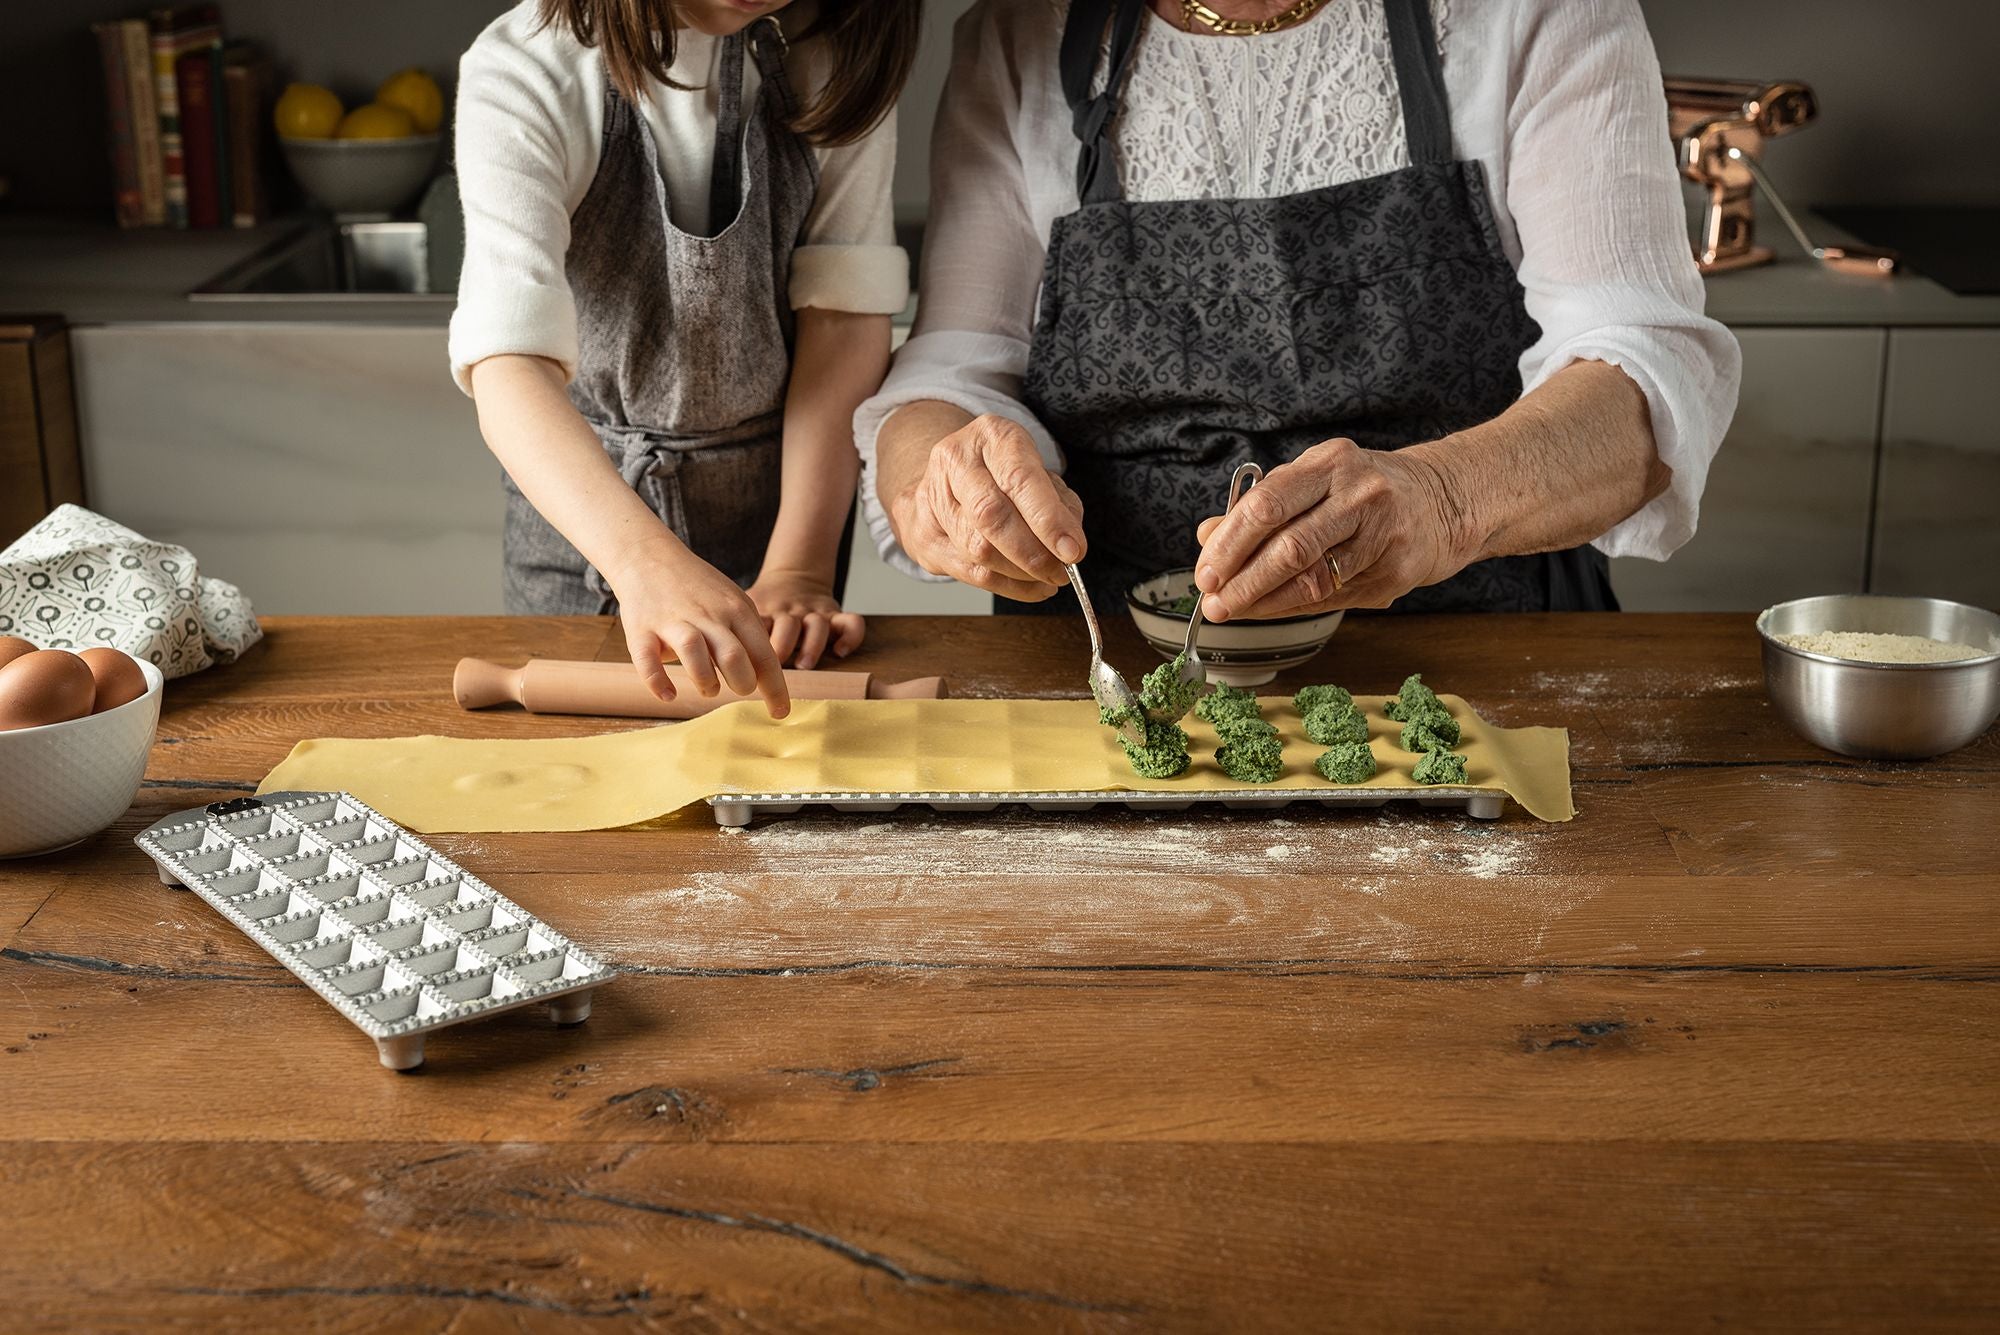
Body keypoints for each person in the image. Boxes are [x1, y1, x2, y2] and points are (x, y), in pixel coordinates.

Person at [859, 0, 1740, 622]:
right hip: (1112, 670)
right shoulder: (1021, 34)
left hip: (1479, 651)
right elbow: (956, 367)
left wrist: (1441, 500)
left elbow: (1640, 366)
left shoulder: (1532, 14)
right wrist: (939, 478)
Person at [452, 0, 919, 717]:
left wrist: (799, 566)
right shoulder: (526, 70)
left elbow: (844, 321)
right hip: (584, 532)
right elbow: (511, 368)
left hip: (779, 530)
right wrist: (640, 559)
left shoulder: (834, 60)